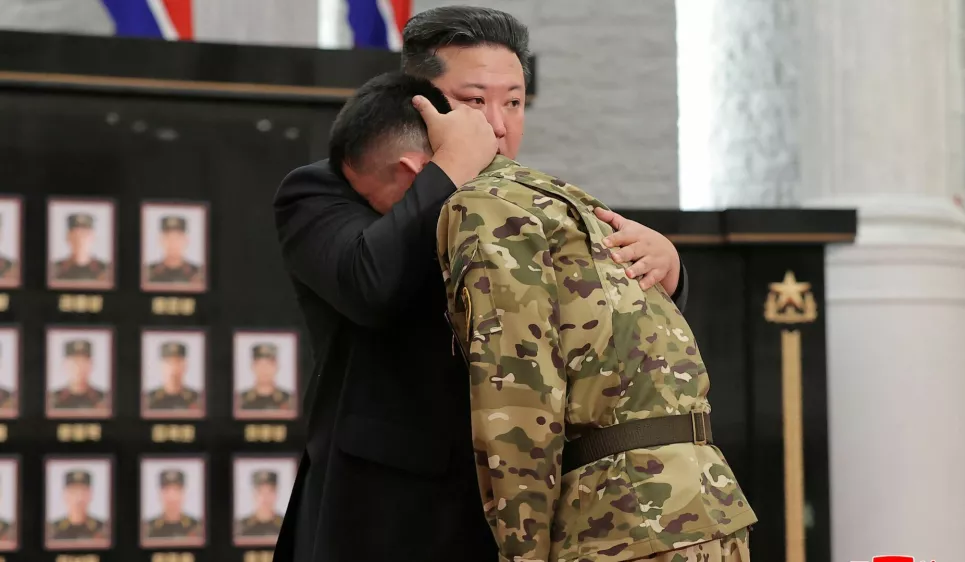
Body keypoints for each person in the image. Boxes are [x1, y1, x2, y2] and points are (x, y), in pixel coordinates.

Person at [273, 7, 687, 561]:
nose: (497, 125)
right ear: (418, 100)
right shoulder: (327, 188)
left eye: (513, 102)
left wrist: (666, 267)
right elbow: (370, 285)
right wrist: (449, 169)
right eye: (474, 101)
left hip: (522, 505)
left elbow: (619, 340)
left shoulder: (535, 205)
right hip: (383, 514)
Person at [438, 144, 757, 560]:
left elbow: (520, 398)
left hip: (624, 521)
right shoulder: (568, 202)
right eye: (479, 108)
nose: (496, 125)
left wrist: (523, 554)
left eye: (513, 108)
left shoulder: (488, 203)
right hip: (709, 508)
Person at [48, 470, 107, 543]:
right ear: (65, 495)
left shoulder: (103, 529)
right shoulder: (52, 530)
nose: (79, 498)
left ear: (90, 495)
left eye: (83, 492)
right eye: (73, 492)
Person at [49, 340, 108, 412]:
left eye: (84, 362)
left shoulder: (105, 399)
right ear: (64, 365)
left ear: (91, 365)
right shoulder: (52, 400)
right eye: (75, 361)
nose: (79, 367)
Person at [144, 470, 202, 540]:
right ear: (160, 494)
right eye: (167, 491)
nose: (172, 497)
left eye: (176, 490)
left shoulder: (197, 527)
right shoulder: (147, 529)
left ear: (183, 494)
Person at [145, 342, 201, 413]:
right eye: (168, 362)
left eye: (178, 362)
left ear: (185, 366)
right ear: (161, 366)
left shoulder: (197, 400)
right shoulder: (148, 400)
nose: (173, 368)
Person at [146, 215, 202, 285]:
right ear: (161, 240)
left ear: (186, 240)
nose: (173, 243)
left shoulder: (198, 273)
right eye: (168, 237)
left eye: (177, 238)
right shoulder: (147, 273)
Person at [51, 213, 108, 281]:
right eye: (75, 235)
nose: (80, 240)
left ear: (93, 237)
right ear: (68, 237)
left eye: (85, 234)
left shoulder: (105, 271)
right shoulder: (54, 271)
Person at [237, 344, 293, 412]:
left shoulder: (290, 401)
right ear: (252, 367)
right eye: (260, 365)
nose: (264, 370)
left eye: (269, 365)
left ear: (276, 367)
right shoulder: (239, 401)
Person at [235, 470, 284, 538]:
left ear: (276, 494)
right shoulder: (240, 527)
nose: (265, 497)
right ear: (254, 495)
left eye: (270, 491)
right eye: (260, 492)